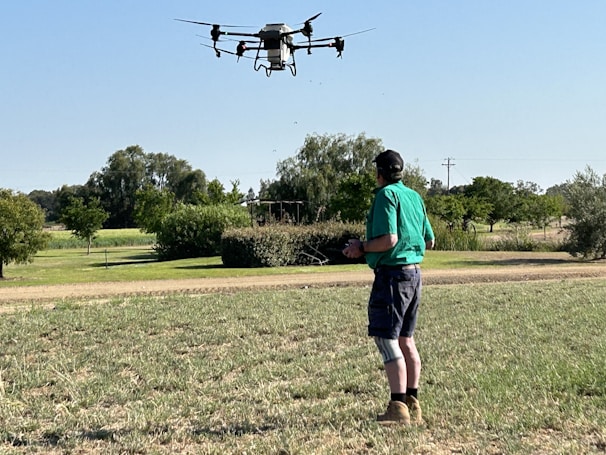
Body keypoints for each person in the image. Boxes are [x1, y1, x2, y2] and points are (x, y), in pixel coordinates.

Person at [343, 149, 435, 425]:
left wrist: (361, 247)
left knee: (386, 338)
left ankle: (397, 408)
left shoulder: (386, 195)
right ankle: (412, 402)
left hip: (392, 276)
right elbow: (428, 241)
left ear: (379, 173)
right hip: (414, 275)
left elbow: (389, 239)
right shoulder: (415, 196)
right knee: (406, 340)